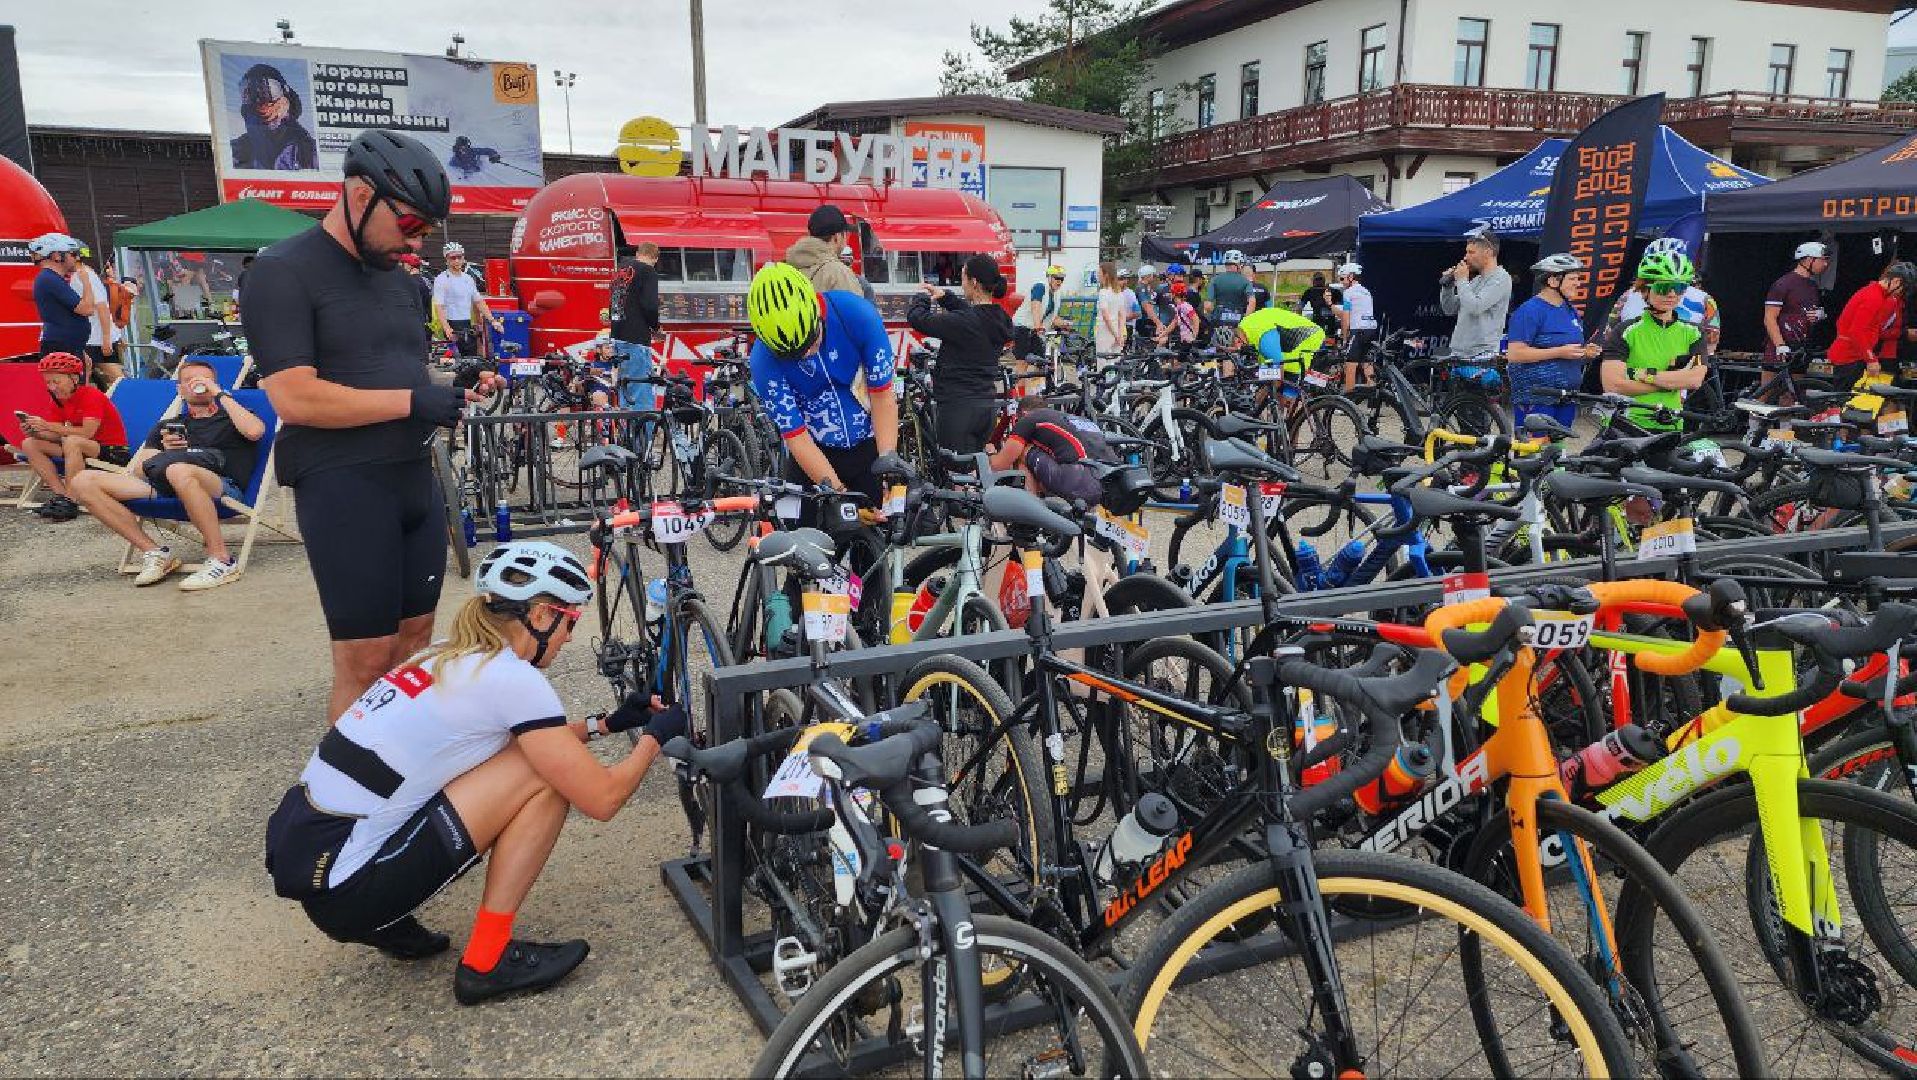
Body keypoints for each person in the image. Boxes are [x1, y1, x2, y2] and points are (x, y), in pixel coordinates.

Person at [263, 541, 688, 1004]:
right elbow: (603, 798)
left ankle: (387, 922)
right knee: (546, 780)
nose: (568, 637)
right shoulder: (514, 680)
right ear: (542, 616)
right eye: (572, 621)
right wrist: (656, 736)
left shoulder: (447, 654)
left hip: (311, 857)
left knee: (513, 764)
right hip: (350, 886)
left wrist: (606, 724)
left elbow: (510, 745)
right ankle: (486, 963)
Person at [242, 128, 493, 725]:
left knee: (415, 643)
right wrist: (413, 402)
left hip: (412, 477)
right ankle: (348, 809)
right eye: (410, 224)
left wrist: (451, 384)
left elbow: (396, 371)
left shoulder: (402, 281)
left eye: (429, 230)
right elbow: (295, 397)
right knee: (364, 659)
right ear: (359, 195)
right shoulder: (283, 271)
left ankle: (404, 778)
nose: (420, 239)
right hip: (344, 485)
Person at [68, 358, 266, 590]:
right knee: (82, 481)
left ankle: (222, 559)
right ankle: (155, 553)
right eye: (189, 381)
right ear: (180, 389)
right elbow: (138, 471)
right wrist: (168, 450)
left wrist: (221, 395)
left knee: (179, 469)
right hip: (168, 484)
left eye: (205, 381)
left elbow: (255, 432)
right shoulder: (169, 425)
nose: (197, 385)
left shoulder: (234, 415)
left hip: (221, 486)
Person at [745, 262, 898, 504]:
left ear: (817, 309)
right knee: (807, 533)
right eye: (793, 354)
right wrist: (839, 496)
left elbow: (882, 395)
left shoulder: (857, 314)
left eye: (812, 340)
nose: (807, 354)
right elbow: (796, 436)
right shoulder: (763, 362)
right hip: (812, 453)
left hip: (868, 445)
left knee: (886, 526)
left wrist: (889, 466)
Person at [905, 254, 1013, 456]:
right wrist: (946, 297)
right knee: (974, 471)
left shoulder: (965, 322)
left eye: (963, 278)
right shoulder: (999, 318)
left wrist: (922, 298)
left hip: (958, 409)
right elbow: (974, 316)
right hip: (986, 408)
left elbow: (918, 319)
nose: (962, 285)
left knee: (955, 476)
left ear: (973, 282)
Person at [12, 351, 131, 521]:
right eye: (48, 382)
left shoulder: (91, 395)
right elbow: (56, 434)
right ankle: (61, 496)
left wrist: (46, 425)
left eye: (56, 381)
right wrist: (36, 432)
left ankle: (71, 498)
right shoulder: (58, 400)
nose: (52, 387)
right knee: (30, 443)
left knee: (72, 441)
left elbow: (87, 432)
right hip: (80, 449)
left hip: (113, 451)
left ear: (74, 379)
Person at [1599, 251, 1707, 432]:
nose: (1672, 294)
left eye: (1679, 287)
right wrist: (1670, 384)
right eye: (1664, 288)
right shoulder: (1625, 331)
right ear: (1645, 290)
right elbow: (1614, 385)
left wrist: (1642, 374)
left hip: (1670, 423)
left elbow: (1694, 379)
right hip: (1626, 423)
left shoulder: (1694, 333)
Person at [1506, 254, 1600, 428]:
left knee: (1557, 451)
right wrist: (1559, 352)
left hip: (1567, 395)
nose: (1578, 283)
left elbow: (1567, 349)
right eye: (1572, 278)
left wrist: (1584, 352)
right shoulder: (1529, 311)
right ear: (1553, 281)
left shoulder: (1570, 310)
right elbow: (1515, 354)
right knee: (1533, 451)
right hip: (1536, 395)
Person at [987, 399, 1114, 507]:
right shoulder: (1073, 420)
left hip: (1081, 480)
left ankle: (1032, 513)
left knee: (1022, 450)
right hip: (1112, 481)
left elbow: (999, 465)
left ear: (1024, 413)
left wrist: (991, 453)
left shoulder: (1030, 419)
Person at [1612, 238, 1721, 356]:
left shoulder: (1704, 300)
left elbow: (1710, 343)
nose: (1672, 294)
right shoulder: (1628, 296)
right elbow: (1612, 335)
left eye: (1679, 288)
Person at [1828, 261, 1917, 392]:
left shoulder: (1876, 293)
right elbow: (1857, 331)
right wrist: (1871, 359)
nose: (1902, 294)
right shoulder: (1874, 297)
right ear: (1897, 282)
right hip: (1850, 357)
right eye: (1904, 289)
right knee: (1844, 400)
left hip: (1855, 355)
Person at [230, 63, 318, 171]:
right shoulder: (236, 151)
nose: (259, 100)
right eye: (249, 92)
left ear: (285, 96)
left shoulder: (308, 151)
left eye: (266, 90)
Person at [1439, 230, 1512, 358]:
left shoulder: (1501, 278)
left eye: (1471, 252)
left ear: (1488, 252)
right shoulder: (1476, 280)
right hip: (1459, 353)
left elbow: (1476, 307)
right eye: (1466, 252)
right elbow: (1449, 309)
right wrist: (1448, 286)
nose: (1466, 257)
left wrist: (1462, 280)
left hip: (1481, 355)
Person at [608, 242, 663, 410]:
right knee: (641, 392)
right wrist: (655, 327)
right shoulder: (648, 272)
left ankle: (627, 434)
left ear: (638, 253)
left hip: (617, 336)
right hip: (636, 338)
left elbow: (614, 303)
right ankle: (644, 435)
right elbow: (650, 306)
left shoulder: (620, 271)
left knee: (626, 390)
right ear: (654, 258)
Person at [1762, 241, 1830, 371]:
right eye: (1823, 260)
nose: (1825, 264)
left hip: (1800, 346)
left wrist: (1819, 315)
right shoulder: (1783, 284)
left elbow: (1804, 311)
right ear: (1809, 259)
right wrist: (1780, 345)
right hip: (1780, 346)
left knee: (1797, 389)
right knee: (1770, 390)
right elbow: (1769, 318)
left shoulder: (1812, 286)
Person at [29, 232, 97, 360]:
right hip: (61, 346)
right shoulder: (49, 279)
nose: (76, 259)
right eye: (72, 254)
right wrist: (86, 282)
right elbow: (87, 309)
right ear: (56, 256)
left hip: (68, 345)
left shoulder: (53, 278)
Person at [434, 243, 500, 358]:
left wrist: (492, 320)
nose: (457, 261)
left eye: (459, 257)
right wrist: (446, 328)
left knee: (472, 359)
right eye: (453, 258)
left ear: (463, 258)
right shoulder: (441, 279)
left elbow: (478, 301)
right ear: (447, 260)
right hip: (452, 323)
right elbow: (439, 306)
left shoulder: (468, 278)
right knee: (459, 361)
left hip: (467, 323)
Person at [785, 204, 863, 297]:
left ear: (810, 233)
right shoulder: (839, 274)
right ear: (837, 237)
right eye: (846, 234)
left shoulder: (784, 268)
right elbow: (855, 310)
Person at [1235, 304, 1327, 378]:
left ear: (1238, 340)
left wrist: (1273, 386)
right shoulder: (1245, 326)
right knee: (1268, 378)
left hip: (1308, 338)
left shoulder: (1264, 339)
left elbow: (1278, 370)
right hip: (1286, 336)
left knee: (1287, 384)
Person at [1334, 262, 1377, 390]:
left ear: (1351, 277)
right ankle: (1373, 394)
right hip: (1370, 329)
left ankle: (1348, 399)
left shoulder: (1348, 293)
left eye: (1342, 278)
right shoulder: (1366, 291)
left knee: (1350, 365)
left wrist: (1344, 336)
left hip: (1358, 330)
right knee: (1367, 363)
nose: (1341, 282)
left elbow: (1346, 317)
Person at [1205, 250, 1254, 334]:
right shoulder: (1245, 281)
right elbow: (1252, 302)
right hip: (1238, 322)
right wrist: (1245, 319)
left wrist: (1215, 314)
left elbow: (1208, 306)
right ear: (1238, 264)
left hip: (1219, 322)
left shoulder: (1215, 280)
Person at [1094, 262, 1128, 357]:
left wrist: (1115, 334)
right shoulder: (1119, 293)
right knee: (1115, 361)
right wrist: (1120, 334)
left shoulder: (1103, 293)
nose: (1098, 276)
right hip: (1117, 328)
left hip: (1104, 330)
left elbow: (1105, 316)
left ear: (1106, 275)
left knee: (1103, 362)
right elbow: (1122, 315)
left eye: (1100, 273)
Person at [1301, 272, 1343, 343]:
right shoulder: (1310, 291)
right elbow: (1301, 305)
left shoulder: (1333, 291)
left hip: (1328, 319)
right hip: (1320, 318)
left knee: (1328, 338)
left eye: (1320, 279)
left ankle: (1329, 348)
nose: (1319, 281)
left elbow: (1343, 303)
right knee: (1321, 339)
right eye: (1318, 279)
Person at [1133, 265, 1164, 342]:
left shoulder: (1146, 287)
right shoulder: (1142, 288)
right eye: (1153, 275)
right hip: (1143, 320)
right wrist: (1158, 322)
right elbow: (1146, 306)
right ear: (1148, 275)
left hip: (1148, 319)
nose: (1154, 278)